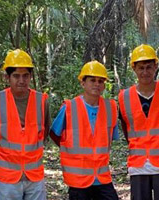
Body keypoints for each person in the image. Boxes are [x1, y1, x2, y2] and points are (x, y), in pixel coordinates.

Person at [0, 49, 50, 200]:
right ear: (7, 77)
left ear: (31, 76)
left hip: (34, 175)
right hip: (7, 176)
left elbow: (45, 130)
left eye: (26, 75)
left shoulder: (41, 101)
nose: (21, 80)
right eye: (16, 76)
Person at [118, 44, 159, 200]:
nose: (145, 72)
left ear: (155, 66)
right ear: (134, 69)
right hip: (138, 167)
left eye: (148, 67)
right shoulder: (125, 96)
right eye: (141, 68)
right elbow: (126, 127)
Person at [49, 60, 119, 200]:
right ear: (83, 83)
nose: (96, 84)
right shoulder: (70, 107)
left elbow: (110, 138)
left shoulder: (110, 108)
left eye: (100, 81)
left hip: (101, 176)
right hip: (78, 178)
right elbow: (54, 134)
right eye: (92, 80)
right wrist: (69, 148)